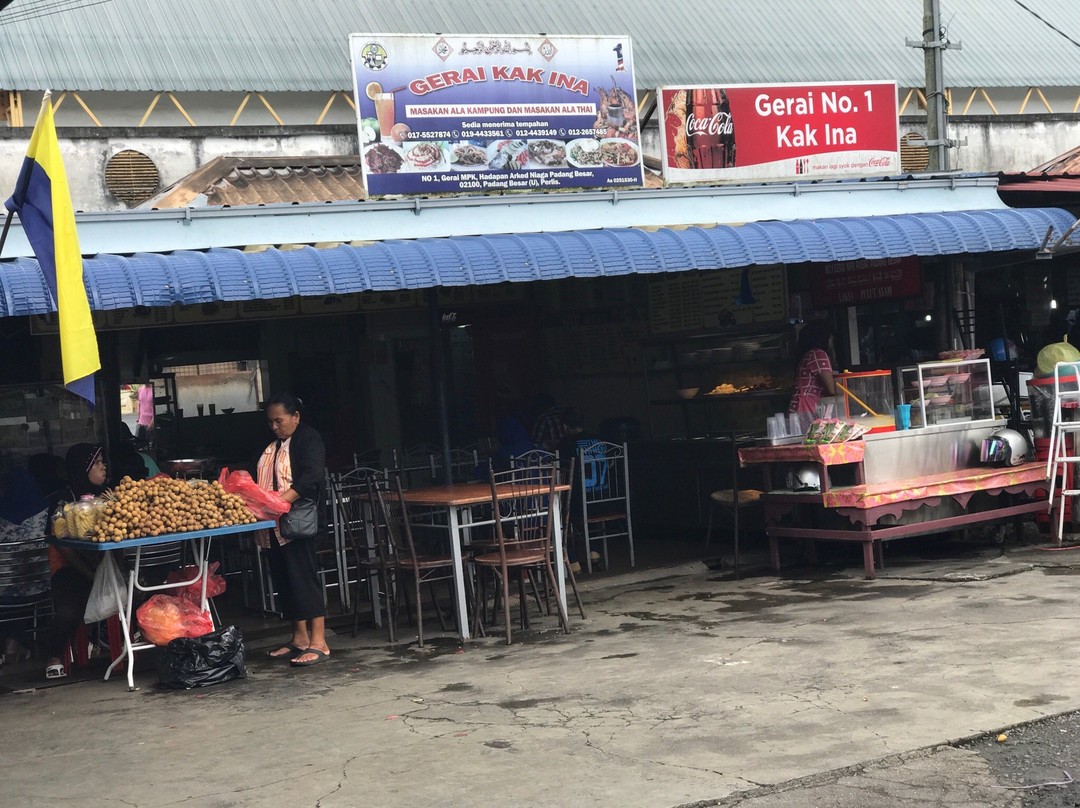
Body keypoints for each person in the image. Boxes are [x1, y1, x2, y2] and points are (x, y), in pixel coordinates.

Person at [256, 393, 330, 667]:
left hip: (298, 521)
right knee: (286, 579)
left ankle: (319, 641)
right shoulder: (274, 444)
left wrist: (280, 501)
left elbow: (312, 476)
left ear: (296, 417)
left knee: (303, 578)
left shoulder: (308, 438)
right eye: (271, 422)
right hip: (273, 523)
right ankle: (299, 638)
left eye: (279, 420)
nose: (275, 427)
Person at [43, 443, 108, 679]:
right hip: (69, 568)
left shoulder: (108, 496)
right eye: (98, 463)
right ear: (84, 468)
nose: (104, 467)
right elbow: (62, 545)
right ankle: (54, 655)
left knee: (135, 589)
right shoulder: (63, 499)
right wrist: (89, 573)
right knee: (69, 613)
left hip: (102, 564)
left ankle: (121, 643)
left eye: (102, 462)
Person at [788, 320, 837, 424]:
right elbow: (831, 390)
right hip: (806, 411)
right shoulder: (818, 354)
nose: (833, 339)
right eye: (831, 336)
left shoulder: (807, 354)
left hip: (797, 410)